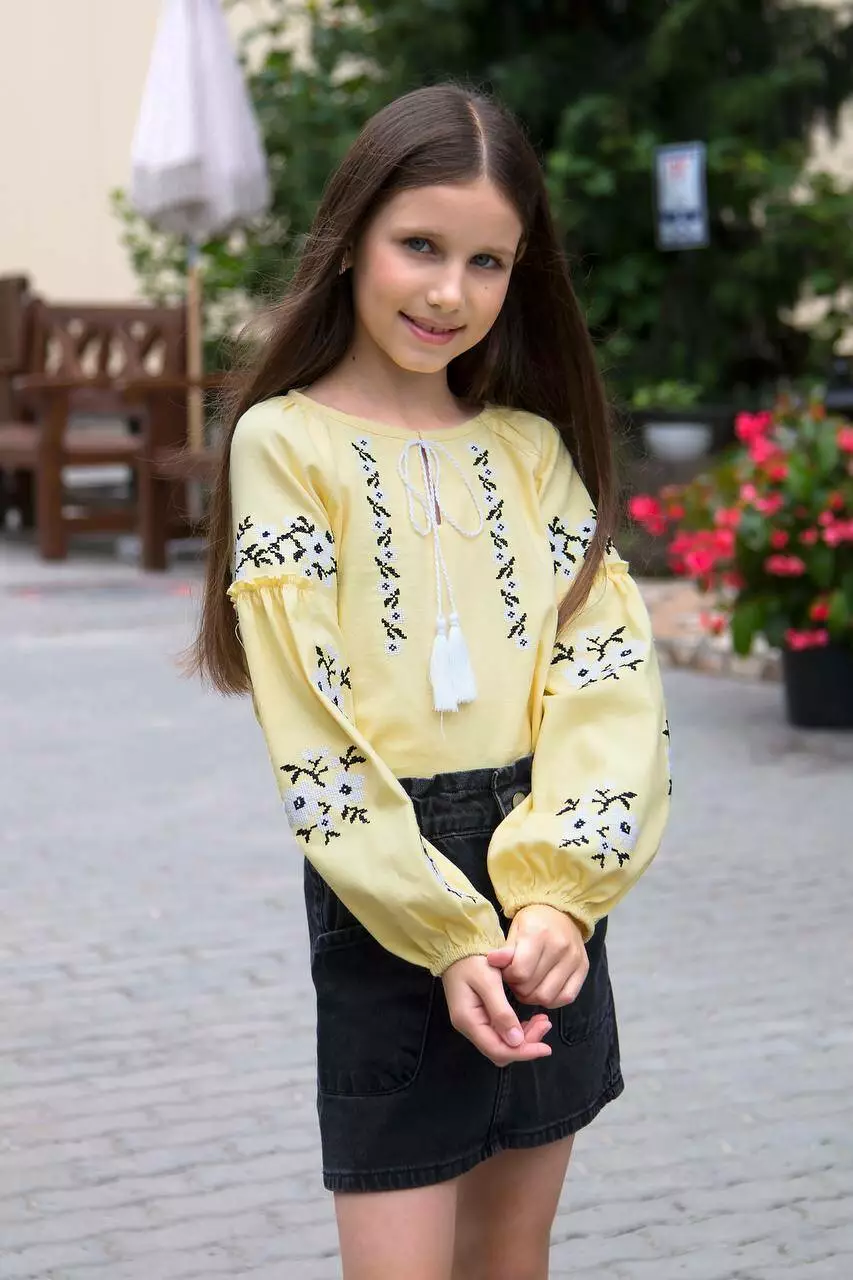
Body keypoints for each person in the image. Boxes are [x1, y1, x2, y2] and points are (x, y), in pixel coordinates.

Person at [191, 82, 671, 1280]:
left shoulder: (532, 448)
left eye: (486, 261)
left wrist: (558, 899)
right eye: (419, 245)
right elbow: (312, 727)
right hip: (386, 881)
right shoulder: (285, 442)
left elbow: (608, 679)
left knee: (510, 1250)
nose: (449, 291)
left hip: (545, 871)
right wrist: (445, 933)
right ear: (353, 235)